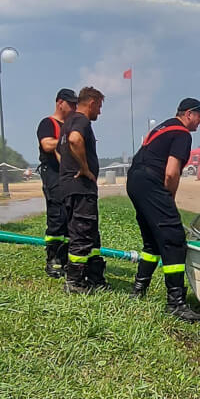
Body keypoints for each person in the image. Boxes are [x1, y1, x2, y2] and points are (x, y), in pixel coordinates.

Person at [127, 98, 200, 321]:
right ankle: (175, 303)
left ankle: (138, 290)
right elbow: (171, 172)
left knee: (152, 240)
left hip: (135, 180)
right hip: (152, 182)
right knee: (174, 238)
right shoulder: (182, 133)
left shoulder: (162, 127)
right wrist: (168, 198)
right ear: (189, 114)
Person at [58, 87, 108, 293]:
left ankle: (94, 276)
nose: (100, 112)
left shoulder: (68, 121)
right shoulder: (81, 121)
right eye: (99, 107)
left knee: (89, 234)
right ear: (92, 102)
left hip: (69, 186)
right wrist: (85, 168)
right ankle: (74, 282)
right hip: (81, 187)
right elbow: (75, 139)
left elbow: (61, 149)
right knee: (82, 232)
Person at [35, 87, 78, 277]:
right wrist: (67, 139)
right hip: (53, 173)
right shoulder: (48, 123)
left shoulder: (71, 125)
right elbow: (46, 144)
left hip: (70, 174)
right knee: (57, 215)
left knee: (70, 216)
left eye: (76, 105)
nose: (74, 108)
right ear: (60, 103)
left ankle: (66, 258)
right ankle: (53, 260)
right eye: (71, 104)